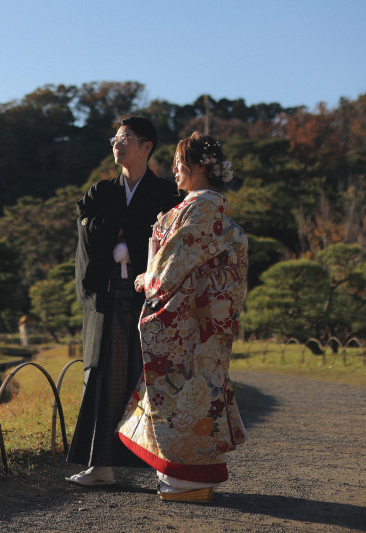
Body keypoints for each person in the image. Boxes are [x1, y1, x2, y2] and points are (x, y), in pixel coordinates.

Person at [117, 132, 248, 502]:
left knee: (183, 394)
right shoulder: (205, 207)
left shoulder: (201, 208)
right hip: (199, 321)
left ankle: (187, 480)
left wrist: (148, 278)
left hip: (188, 322)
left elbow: (174, 262)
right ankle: (187, 478)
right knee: (193, 391)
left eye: (179, 164)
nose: (175, 170)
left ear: (200, 167)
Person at [67, 116, 179, 486]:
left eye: (126, 138)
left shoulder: (168, 195)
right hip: (111, 295)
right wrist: (127, 233)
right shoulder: (100, 192)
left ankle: (167, 469)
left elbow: (174, 247)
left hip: (154, 300)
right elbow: (89, 237)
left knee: (155, 381)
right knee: (106, 379)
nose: (118, 143)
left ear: (147, 146)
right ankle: (102, 466)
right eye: (115, 138)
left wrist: (120, 233)